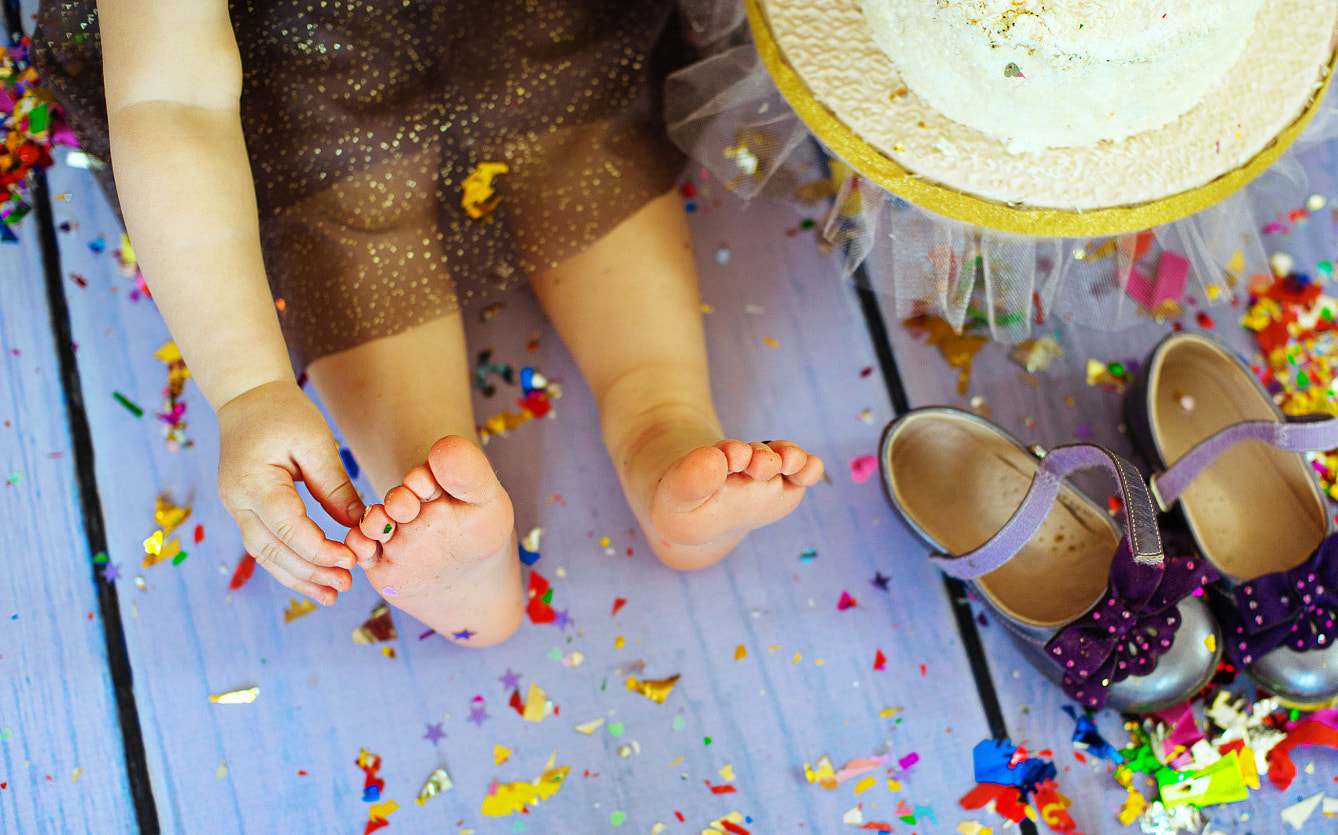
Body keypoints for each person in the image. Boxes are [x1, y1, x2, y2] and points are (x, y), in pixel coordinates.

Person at [33, 0, 824, 647]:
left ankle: (664, 422)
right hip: (299, 70)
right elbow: (171, 100)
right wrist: (248, 387)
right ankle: (439, 511)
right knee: (352, 221)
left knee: (583, 136)